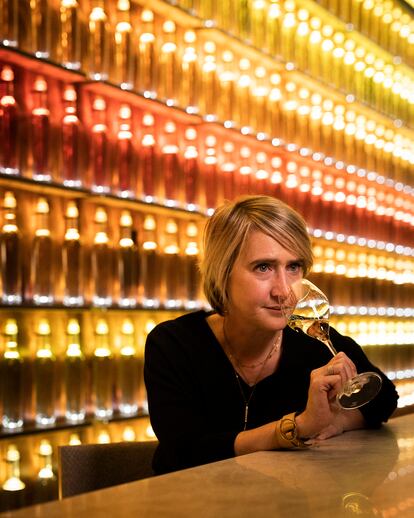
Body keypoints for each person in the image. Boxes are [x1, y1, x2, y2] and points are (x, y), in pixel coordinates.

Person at [144, 195, 398, 474]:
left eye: (293, 267)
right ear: (223, 272)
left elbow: (383, 396)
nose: (284, 291)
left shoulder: (311, 339)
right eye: (263, 267)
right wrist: (298, 426)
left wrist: (337, 422)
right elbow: (185, 451)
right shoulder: (174, 344)